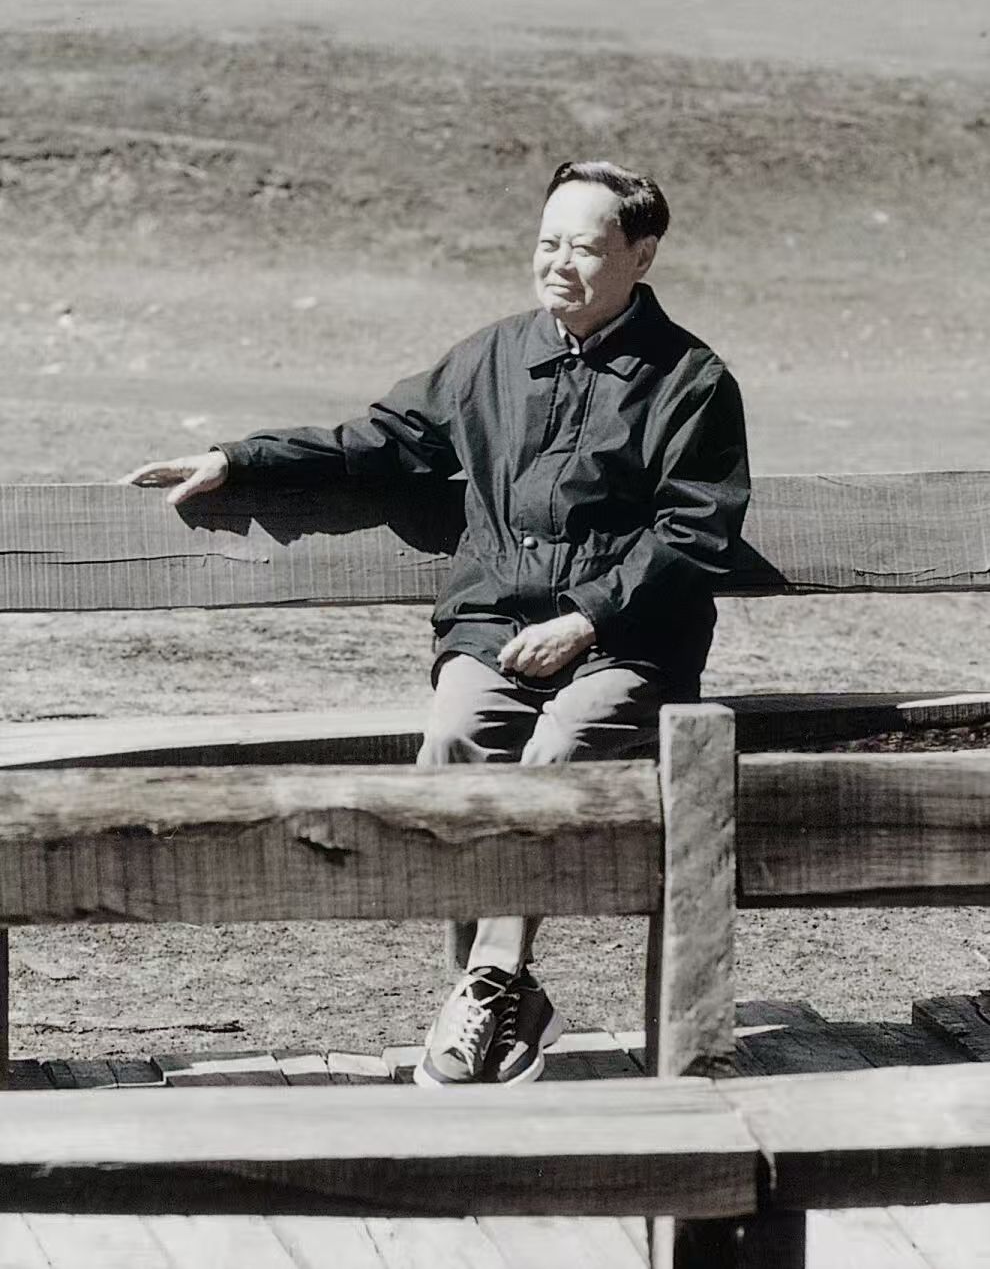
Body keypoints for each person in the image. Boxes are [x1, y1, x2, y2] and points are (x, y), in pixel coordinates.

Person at [123, 159, 750, 1089]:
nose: (558, 264)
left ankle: (487, 981)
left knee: (560, 748)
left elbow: (695, 532)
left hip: (628, 642)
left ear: (641, 255)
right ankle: (498, 988)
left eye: (584, 248)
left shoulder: (691, 380)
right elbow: (375, 441)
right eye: (547, 242)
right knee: (456, 738)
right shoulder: (490, 358)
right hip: (494, 627)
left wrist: (586, 620)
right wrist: (239, 458)